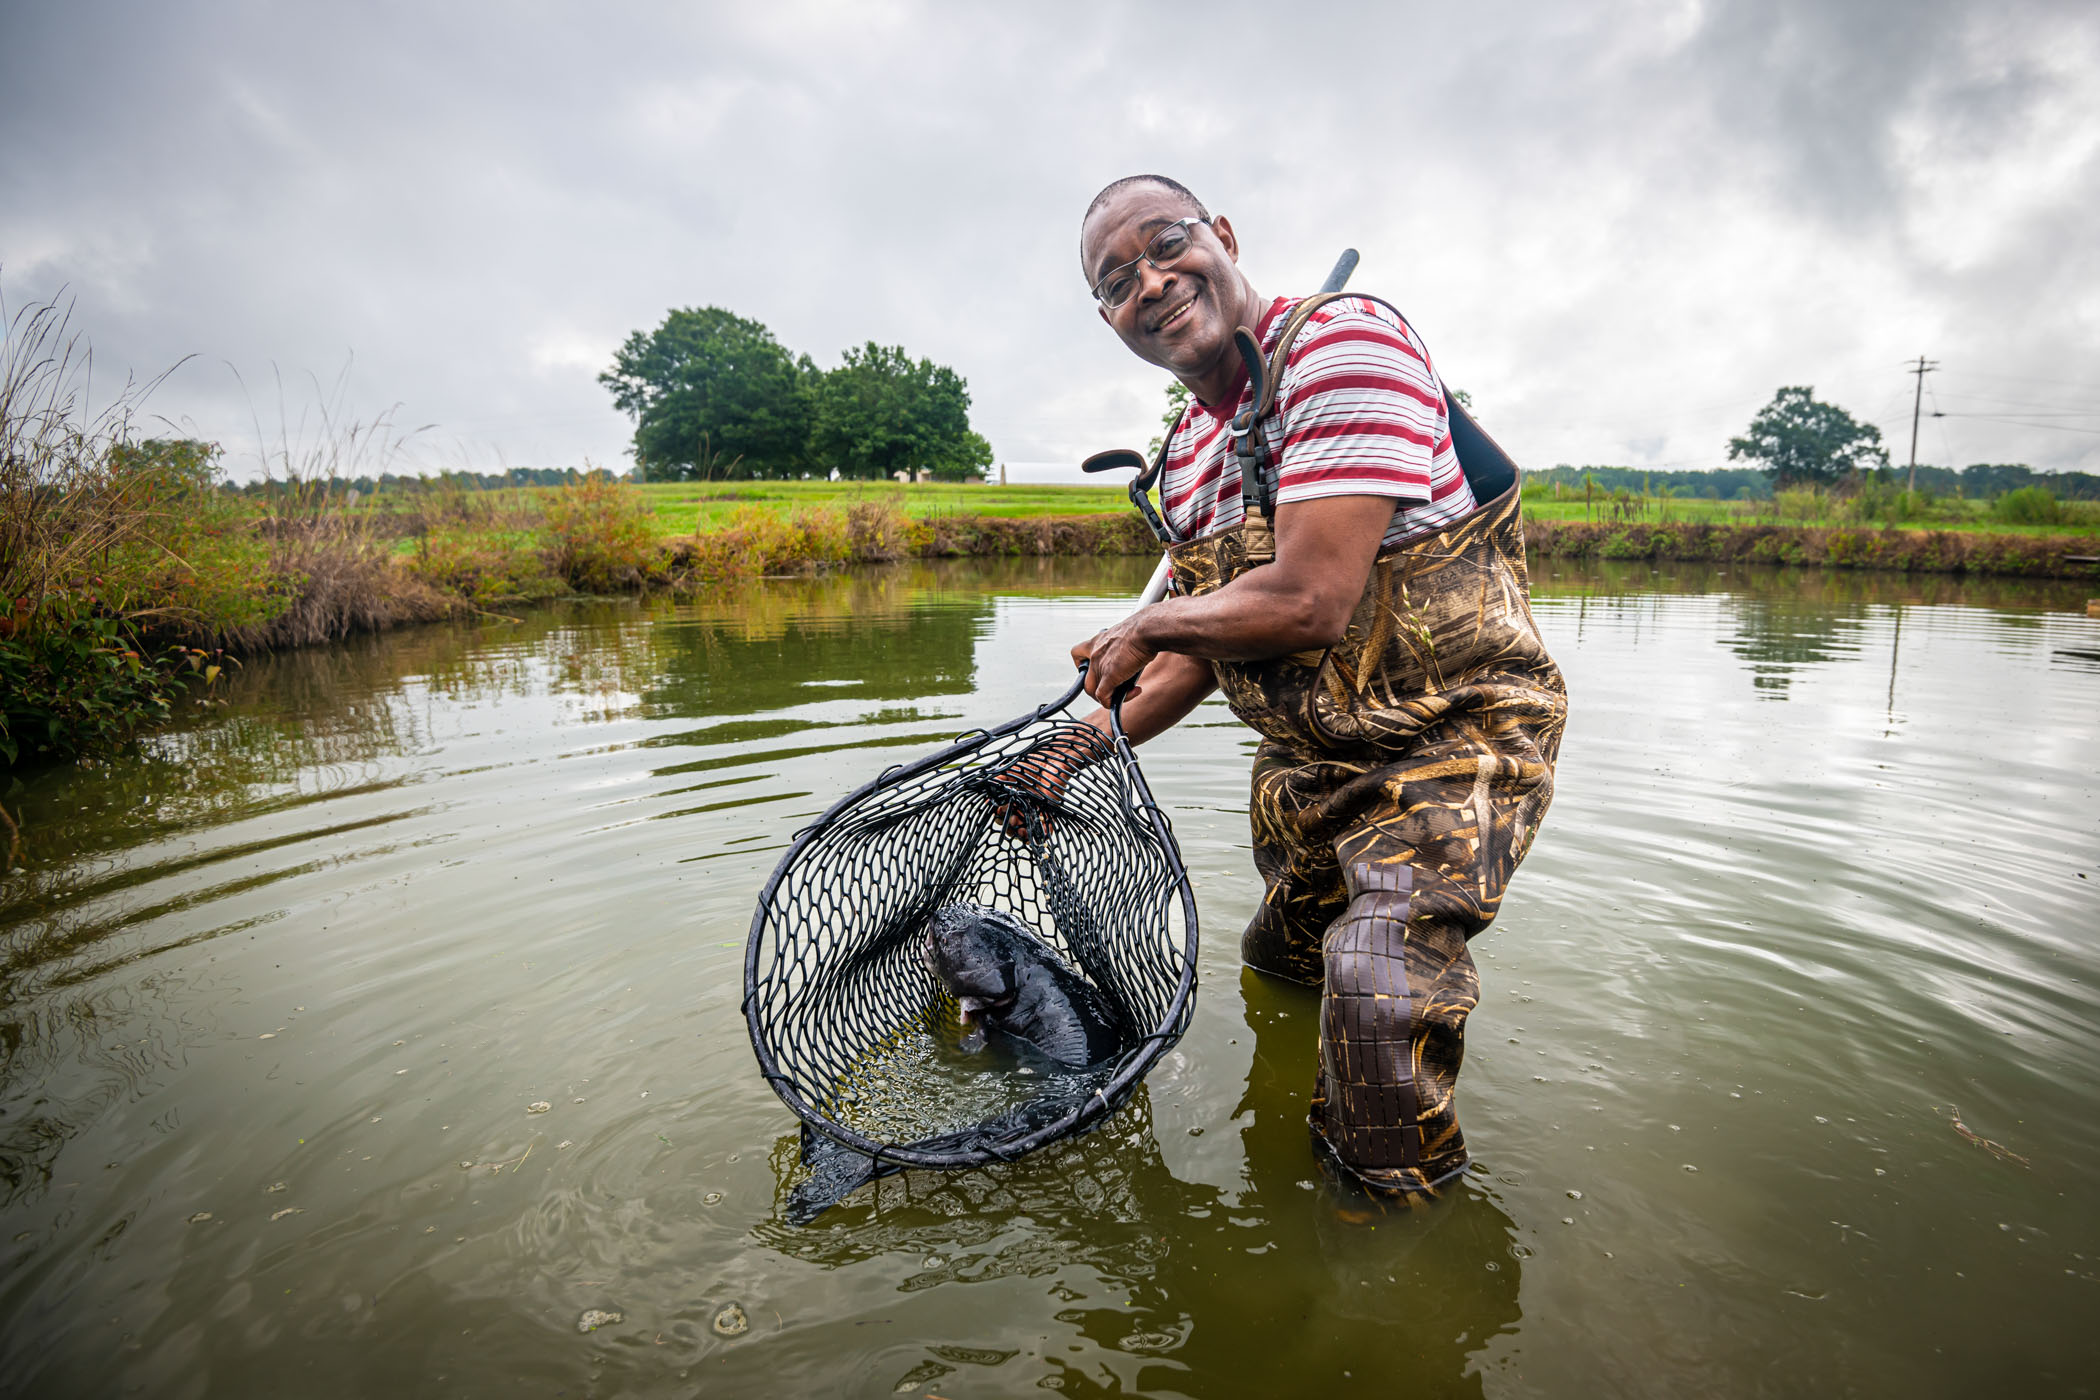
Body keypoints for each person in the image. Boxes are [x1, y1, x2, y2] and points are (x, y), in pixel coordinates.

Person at [1067, 174, 1568, 1197]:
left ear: (1226, 237)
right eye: (1117, 280)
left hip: (1450, 740)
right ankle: (1285, 1167)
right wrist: (1076, 749)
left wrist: (1148, 617)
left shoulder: (1343, 346)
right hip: (1308, 769)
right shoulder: (1191, 453)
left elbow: (1307, 602)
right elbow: (1209, 652)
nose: (1152, 282)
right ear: (1109, 318)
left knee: (1377, 990)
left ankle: (1388, 1254)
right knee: (1280, 969)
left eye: (1168, 245)